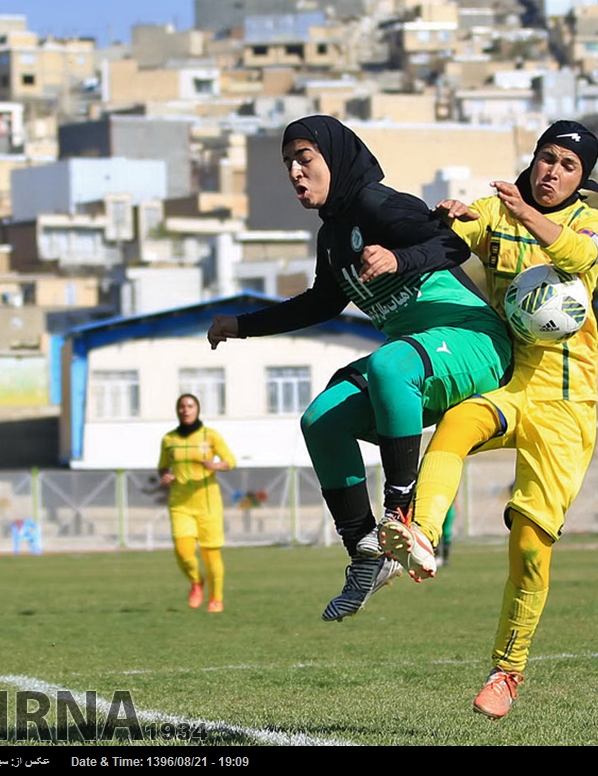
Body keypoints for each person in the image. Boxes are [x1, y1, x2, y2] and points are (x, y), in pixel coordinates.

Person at [206, 115, 512, 622]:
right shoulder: (331, 239)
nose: (295, 173)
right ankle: (365, 553)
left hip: (474, 342)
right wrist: (240, 325)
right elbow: (320, 305)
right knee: (321, 418)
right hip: (418, 360)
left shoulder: (381, 203)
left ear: (336, 157)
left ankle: (402, 514)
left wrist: (397, 258)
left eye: (305, 159)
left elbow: (453, 245)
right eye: (288, 164)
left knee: (390, 362)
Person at [381, 120, 598, 720]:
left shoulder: (596, 225)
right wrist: (452, 214)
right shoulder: (499, 209)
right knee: (457, 425)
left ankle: (507, 671)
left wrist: (524, 213)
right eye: (547, 158)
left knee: (530, 548)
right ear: (533, 158)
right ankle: (422, 535)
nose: (552, 172)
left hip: (566, 406)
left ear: (582, 178)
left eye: (568, 166)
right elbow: (457, 232)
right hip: (512, 384)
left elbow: (572, 254)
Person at [158, 393, 236, 613]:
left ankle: (216, 599)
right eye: (182, 406)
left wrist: (216, 465)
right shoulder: (169, 439)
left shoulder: (210, 436)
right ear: (177, 410)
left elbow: (231, 460)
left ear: (197, 409)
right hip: (180, 502)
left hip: (208, 502)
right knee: (183, 551)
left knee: (211, 554)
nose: (186, 409)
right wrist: (164, 475)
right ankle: (195, 581)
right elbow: (163, 466)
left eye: (190, 406)